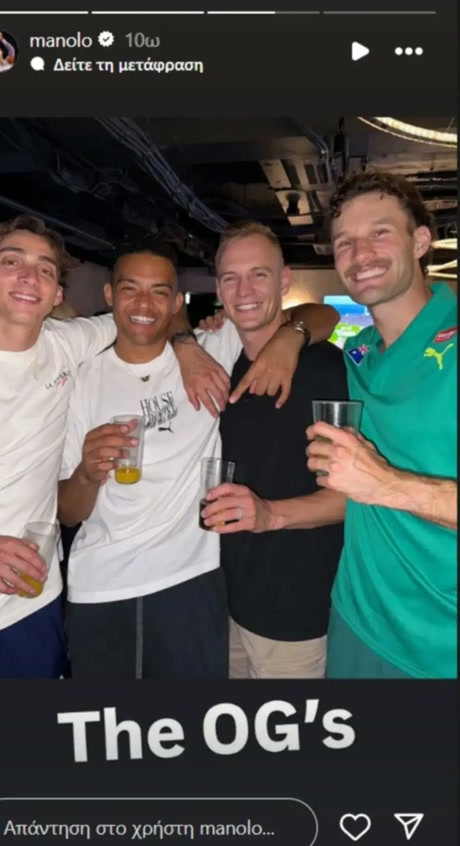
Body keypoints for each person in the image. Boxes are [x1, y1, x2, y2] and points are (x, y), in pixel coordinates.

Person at [0, 215, 233, 679]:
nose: (29, 277)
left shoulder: (68, 346)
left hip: (35, 602)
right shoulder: (80, 369)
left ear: (57, 293)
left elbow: (148, 312)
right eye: (12, 262)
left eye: (45, 269)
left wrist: (186, 341)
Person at [57, 236, 338, 678]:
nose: (144, 304)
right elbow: (68, 513)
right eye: (130, 289)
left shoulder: (215, 349)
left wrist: (289, 338)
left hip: (193, 581)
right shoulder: (81, 379)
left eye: (160, 292)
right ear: (109, 294)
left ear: (176, 303)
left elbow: (322, 314)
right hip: (101, 586)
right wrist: (87, 475)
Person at [306, 170, 457, 679]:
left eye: (380, 232)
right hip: (357, 620)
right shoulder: (359, 351)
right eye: (344, 242)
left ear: (420, 241)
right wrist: (290, 335)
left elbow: (378, 485)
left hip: (441, 645)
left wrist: (385, 483)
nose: (360, 254)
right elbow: (315, 317)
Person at [200, 221, 348, 679]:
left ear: (284, 281)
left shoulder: (326, 370)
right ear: (218, 290)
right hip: (225, 603)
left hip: (296, 616)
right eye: (230, 278)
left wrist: (270, 514)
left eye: (259, 275)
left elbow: (354, 497)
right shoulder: (221, 361)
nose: (244, 290)